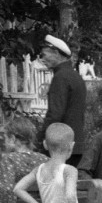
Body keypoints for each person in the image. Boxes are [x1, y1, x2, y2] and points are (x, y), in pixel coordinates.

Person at [36, 34, 86, 167]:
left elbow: (55, 115)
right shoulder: (75, 76)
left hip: (59, 146)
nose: (42, 59)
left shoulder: (60, 77)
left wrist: (39, 140)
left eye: (44, 55)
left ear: (56, 53)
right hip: (74, 145)